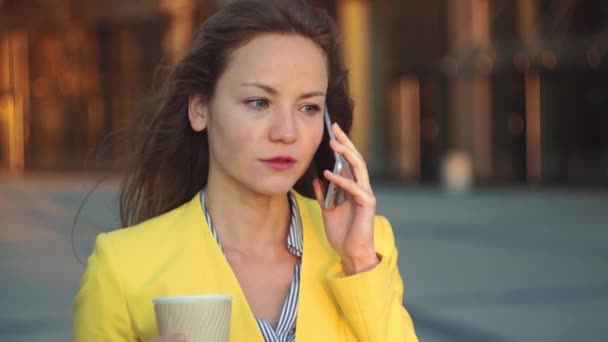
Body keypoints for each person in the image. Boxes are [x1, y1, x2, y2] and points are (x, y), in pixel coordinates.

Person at [73, 0, 418, 341]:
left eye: (309, 107)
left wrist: (358, 260)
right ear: (199, 110)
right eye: (259, 102)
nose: (286, 132)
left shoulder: (368, 246)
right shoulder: (123, 266)